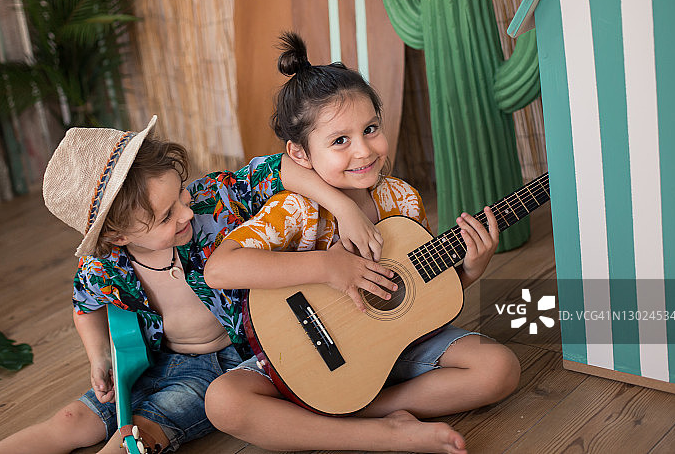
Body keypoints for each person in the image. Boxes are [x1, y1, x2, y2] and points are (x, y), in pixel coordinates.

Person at [0, 115, 381, 454]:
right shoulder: (103, 266)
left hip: (225, 366)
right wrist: (98, 355)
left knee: (139, 433)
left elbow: (277, 168)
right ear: (118, 236)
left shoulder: (213, 202)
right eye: (165, 217)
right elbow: (84, 305)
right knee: (69, 421)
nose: (186, 213)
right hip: (153, 361)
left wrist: (343, 206)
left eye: (181, 196)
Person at [203, 32, 521, 454]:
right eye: (340, 140)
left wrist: (469, 271)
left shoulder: (402, 198)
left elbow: (417, 297)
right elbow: (219, 269)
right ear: (300, 154)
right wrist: (328, 267)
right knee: (223, 400)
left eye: (371, 129)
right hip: (312, 356)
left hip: (392, 349)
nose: (364, 150)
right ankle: (385, 435)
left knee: (499, 368)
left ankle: (356, 411)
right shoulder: (297, 209)